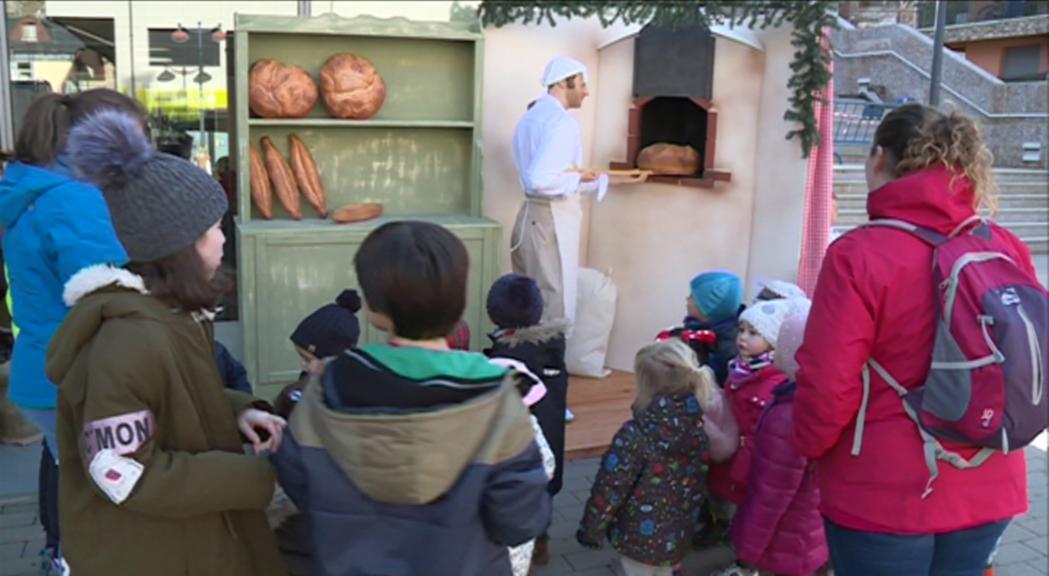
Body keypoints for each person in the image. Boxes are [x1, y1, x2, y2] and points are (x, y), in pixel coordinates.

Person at [793, 104, 1037, 574]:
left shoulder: (857, 254)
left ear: (879, 158)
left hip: (883, 493)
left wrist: (806, 449)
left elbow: (827, 384)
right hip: (990, 478)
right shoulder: (1003, 244)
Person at [46, 110, 287, 575]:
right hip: (150, 554)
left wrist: (236, 409)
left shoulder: (174, 314)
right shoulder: (130, 342)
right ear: (178, 249)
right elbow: (123, 474)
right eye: (211, 230)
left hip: (186, 539)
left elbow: (179, 399)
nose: (223, 240)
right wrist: (259, 478)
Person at [272, 220, 551, 576]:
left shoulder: (327, 386)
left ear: (372, 308)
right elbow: (521, 520)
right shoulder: (498, 397)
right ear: (460, 301)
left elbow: (300, 483)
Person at [0, 88, 143, 574]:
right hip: (74, 371)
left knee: (65, 468)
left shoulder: (28, 191)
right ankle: (76, 560)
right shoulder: (73, 199)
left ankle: (58, 552)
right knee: (96, 487)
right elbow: (103, 292)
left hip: (39, 369)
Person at [576, 339, 712, 576]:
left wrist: (591, 530)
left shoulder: (635, 435)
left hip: (636, 540)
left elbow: (610, 488)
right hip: (678, 536)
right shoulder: (699, 426)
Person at [726, 309, 827, 576]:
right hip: (806, 533)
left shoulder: (788, 416)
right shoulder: (813, 401)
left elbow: (771, 494)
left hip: (785, 538)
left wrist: (747, 548)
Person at [510, 56, 608, 328]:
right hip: (548, 220)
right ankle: (549, 369)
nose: (587, 91)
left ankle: (525, 366)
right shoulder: (561, 123)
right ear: (565, 83)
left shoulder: (530, 117)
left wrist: (592, 180)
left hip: (529, 218)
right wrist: (577, 180)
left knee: (527, 302)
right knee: (553, 304)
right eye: (582, 84)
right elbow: (538, 180)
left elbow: (546, 175)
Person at [483, 273, 569, 565]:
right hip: (551, 446)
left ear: (492, 313)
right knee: (542, 498)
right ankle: (542, 546)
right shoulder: (552, 349)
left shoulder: (505, 360)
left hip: (518, 459)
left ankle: (525, 559)